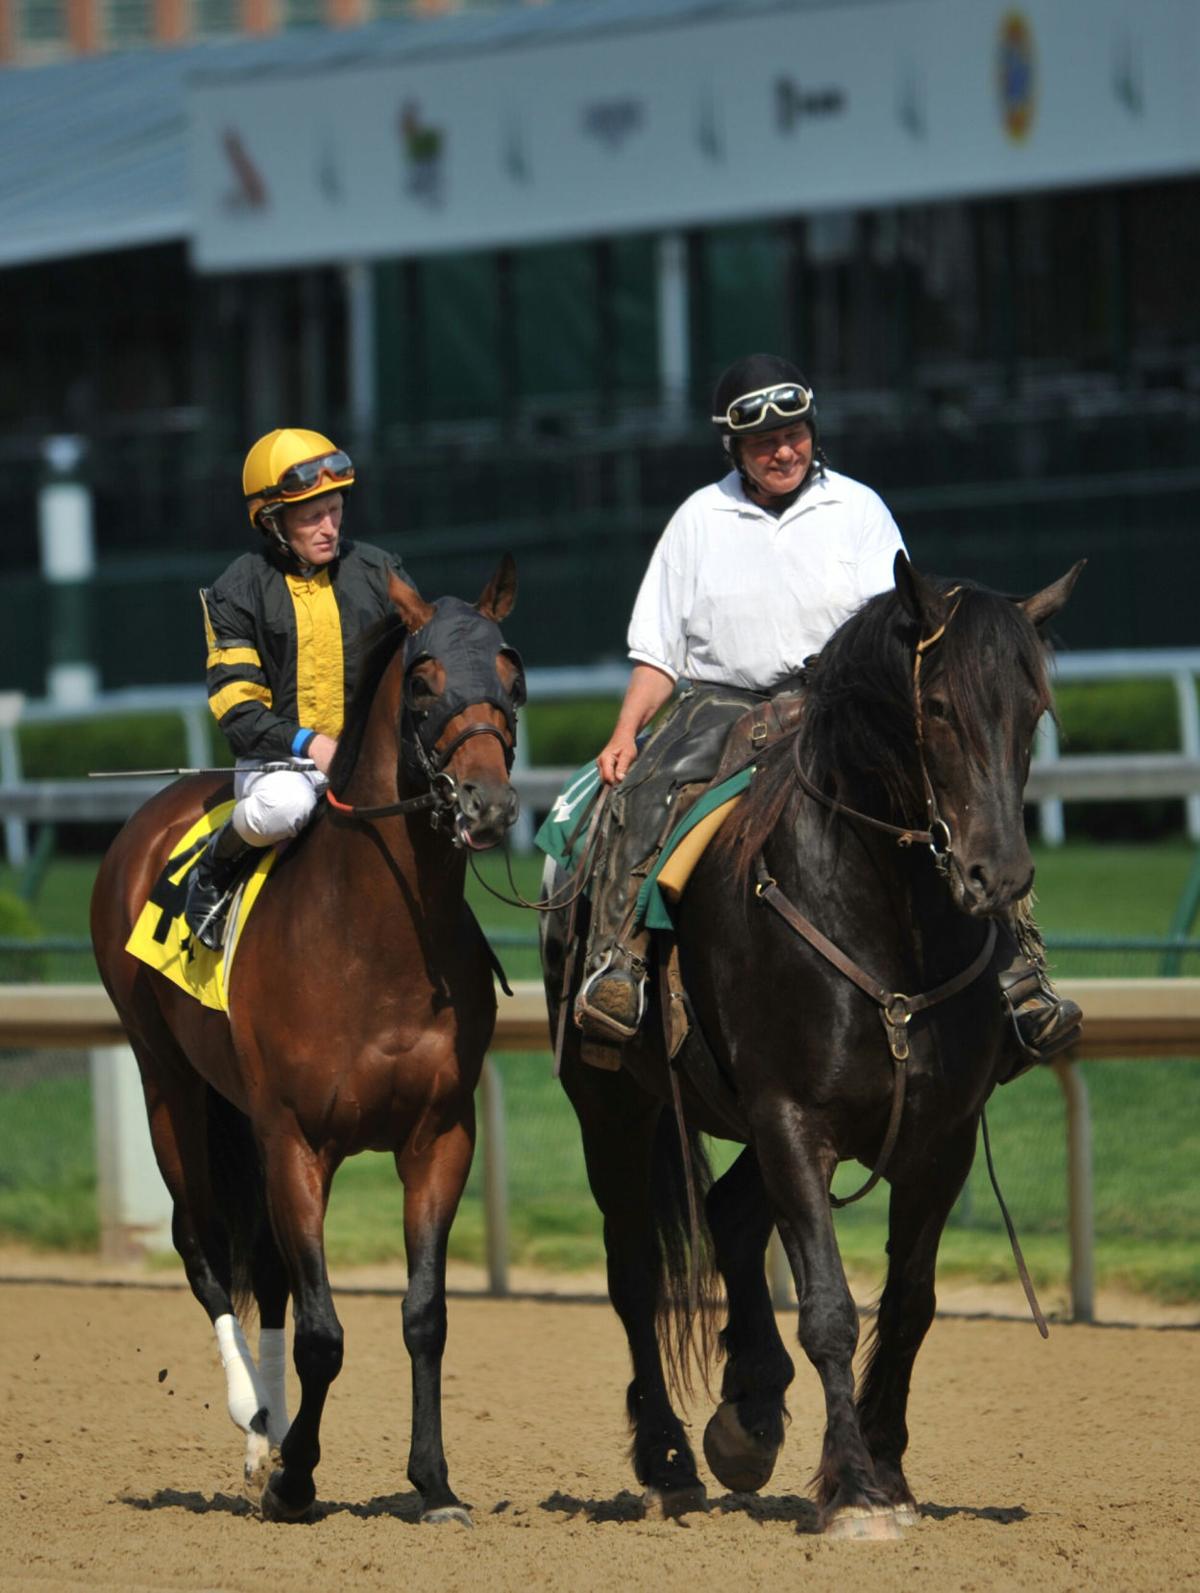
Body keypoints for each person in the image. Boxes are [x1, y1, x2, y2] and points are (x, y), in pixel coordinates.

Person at [574, 353, 1081, 1071]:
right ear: (735, 449)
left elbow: (902, 626)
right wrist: (626, 732)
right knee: (653, 788)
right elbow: (658, 655)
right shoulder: (698, 519)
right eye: (763, 442)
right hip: (726, 705)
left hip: (838, 704)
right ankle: (617, 964)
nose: (783, 450)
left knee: (959, 793)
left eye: (795, 434)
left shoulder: (859, 508)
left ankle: (1020, 975)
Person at [184, 428, 414, 950]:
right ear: (272, 521)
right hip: (279, 765)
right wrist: (312, 744)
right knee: (287, 807)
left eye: (335, 510)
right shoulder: (236, 590)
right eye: (312, 516)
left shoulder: (380, 571)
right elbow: (237, 708)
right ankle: (216, 867)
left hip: (372, 762)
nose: (329, 527)